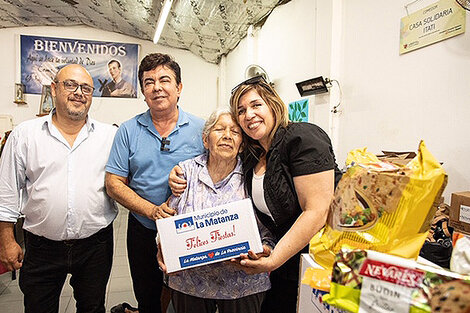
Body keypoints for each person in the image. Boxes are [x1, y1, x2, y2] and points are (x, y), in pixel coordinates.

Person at [170, 76, 342, 313]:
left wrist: (272, 258)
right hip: (281, 265)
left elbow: (317, 210)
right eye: (241, 110)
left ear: (272, 104)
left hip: (317, 259)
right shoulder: (254, 157)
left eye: (255, 105)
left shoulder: (302, 138)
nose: (248, 114)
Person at [0, 64, 117, 313]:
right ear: (54, 89)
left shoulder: (109, 136)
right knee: (38, 307)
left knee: (93, 307)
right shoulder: (25, 135)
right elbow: (7, 190)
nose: (78, 92)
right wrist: (7, 240)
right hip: (41, 247)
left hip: (95, 246)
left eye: (86, 88)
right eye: (70, 85)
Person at [105, 53, 205, 313]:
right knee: (147, 296)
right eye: (149, 82)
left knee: (189, 298)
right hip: (143, 228)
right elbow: (114, 183)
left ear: (179, 87)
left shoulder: (201, 129)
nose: (157, 87)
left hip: (189, 229)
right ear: (142, 91)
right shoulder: (128, 130)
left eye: (164, 80)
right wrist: (151, 211)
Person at [157, 109, 274, 313]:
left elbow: (269, 229)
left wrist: (266, 249)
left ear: (242, 144)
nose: (227, 135)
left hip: (242, 284)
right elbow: (168, 221)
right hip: (190, 283)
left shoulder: (253, 175)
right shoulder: (186, 172)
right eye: (219, 129)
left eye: (235, 132)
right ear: (206, 140)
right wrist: (163, 248)